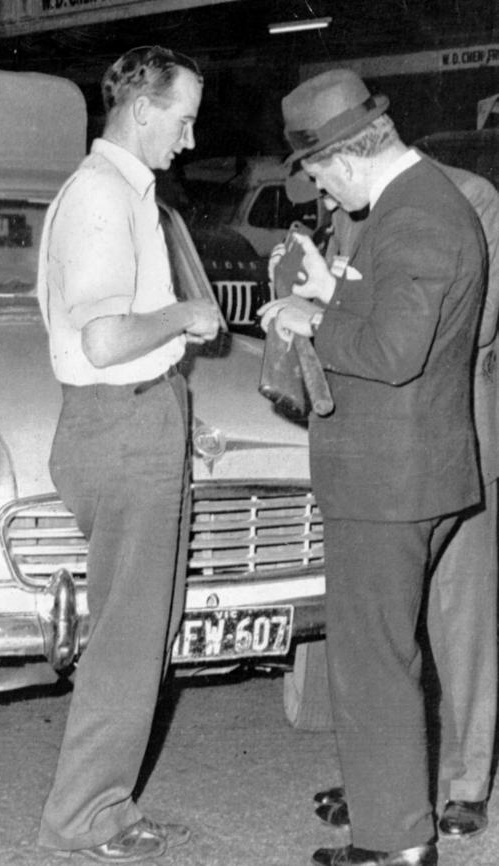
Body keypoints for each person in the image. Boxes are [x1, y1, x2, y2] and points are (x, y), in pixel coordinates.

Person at [261, 68, 487, 866]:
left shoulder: (417, 217)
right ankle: (387, 805)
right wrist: (330, 298)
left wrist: (306, 319)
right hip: (400, 471)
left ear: (346, 159)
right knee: (382, 655)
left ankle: (394, 843)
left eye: (318, 173)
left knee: (376, 661)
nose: (319, 189)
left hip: (390, 480)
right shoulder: (412, 202)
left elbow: (393, 353)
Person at [36, 45, 221, 864]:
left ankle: (100, 806)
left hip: (138, 421)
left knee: (137, 632)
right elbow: (107, 340)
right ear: (144, 109)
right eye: (182, 119)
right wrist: (185, 316)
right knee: (127, 638)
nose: (187, 139)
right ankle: (84, 815)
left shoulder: (126, 194)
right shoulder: (104, 198)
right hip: (121, 426)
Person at [305, 164, 499, 842]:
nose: (326, 199)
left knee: (457, 623)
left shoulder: (463, 202)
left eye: (325, 178)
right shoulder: (361, 208)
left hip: (446, 438)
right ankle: (388, 791)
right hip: (389, 447)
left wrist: (327, 308)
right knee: (385, 636)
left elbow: (457, 331)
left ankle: (464, 785)